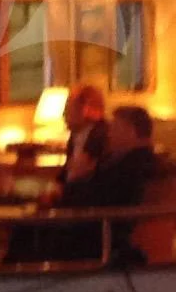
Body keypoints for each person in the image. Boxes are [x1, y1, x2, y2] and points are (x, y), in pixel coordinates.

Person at [56, 104, 160, 267]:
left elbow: (88, 201)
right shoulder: (152, 165)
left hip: (100, 239)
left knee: (27, 233)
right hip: (112, 235)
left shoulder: (127, 168)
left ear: (130, 132)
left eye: (114, 129)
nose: (109, 135)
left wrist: (74, 179)